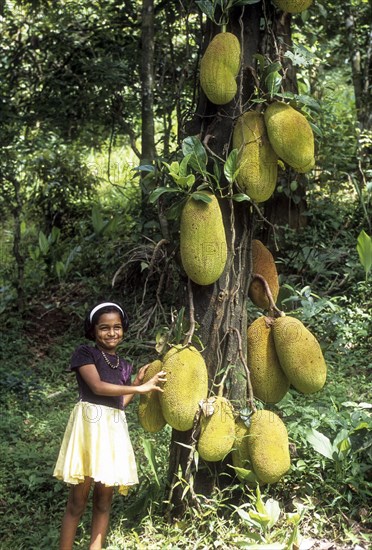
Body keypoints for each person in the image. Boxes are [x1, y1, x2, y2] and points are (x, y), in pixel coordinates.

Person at [53, 301, 166, 550]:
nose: (111, 333)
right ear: (93, 331)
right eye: (104, 328)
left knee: (104, 501)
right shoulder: (85, 354)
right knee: (77, 501)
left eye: (117, 327)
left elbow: (119, 403)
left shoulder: (124, 365)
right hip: (89, 432)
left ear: (123, 329)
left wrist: (135, 380)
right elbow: (97, 387)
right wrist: (140, 387)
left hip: (113, 431)